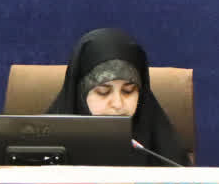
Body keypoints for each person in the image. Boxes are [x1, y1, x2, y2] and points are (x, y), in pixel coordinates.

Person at [47, 27, 190, 166]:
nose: (118, 104)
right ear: (80, 96)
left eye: (128, 91)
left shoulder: (163, 153)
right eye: (103, 92)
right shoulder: (48, 151)